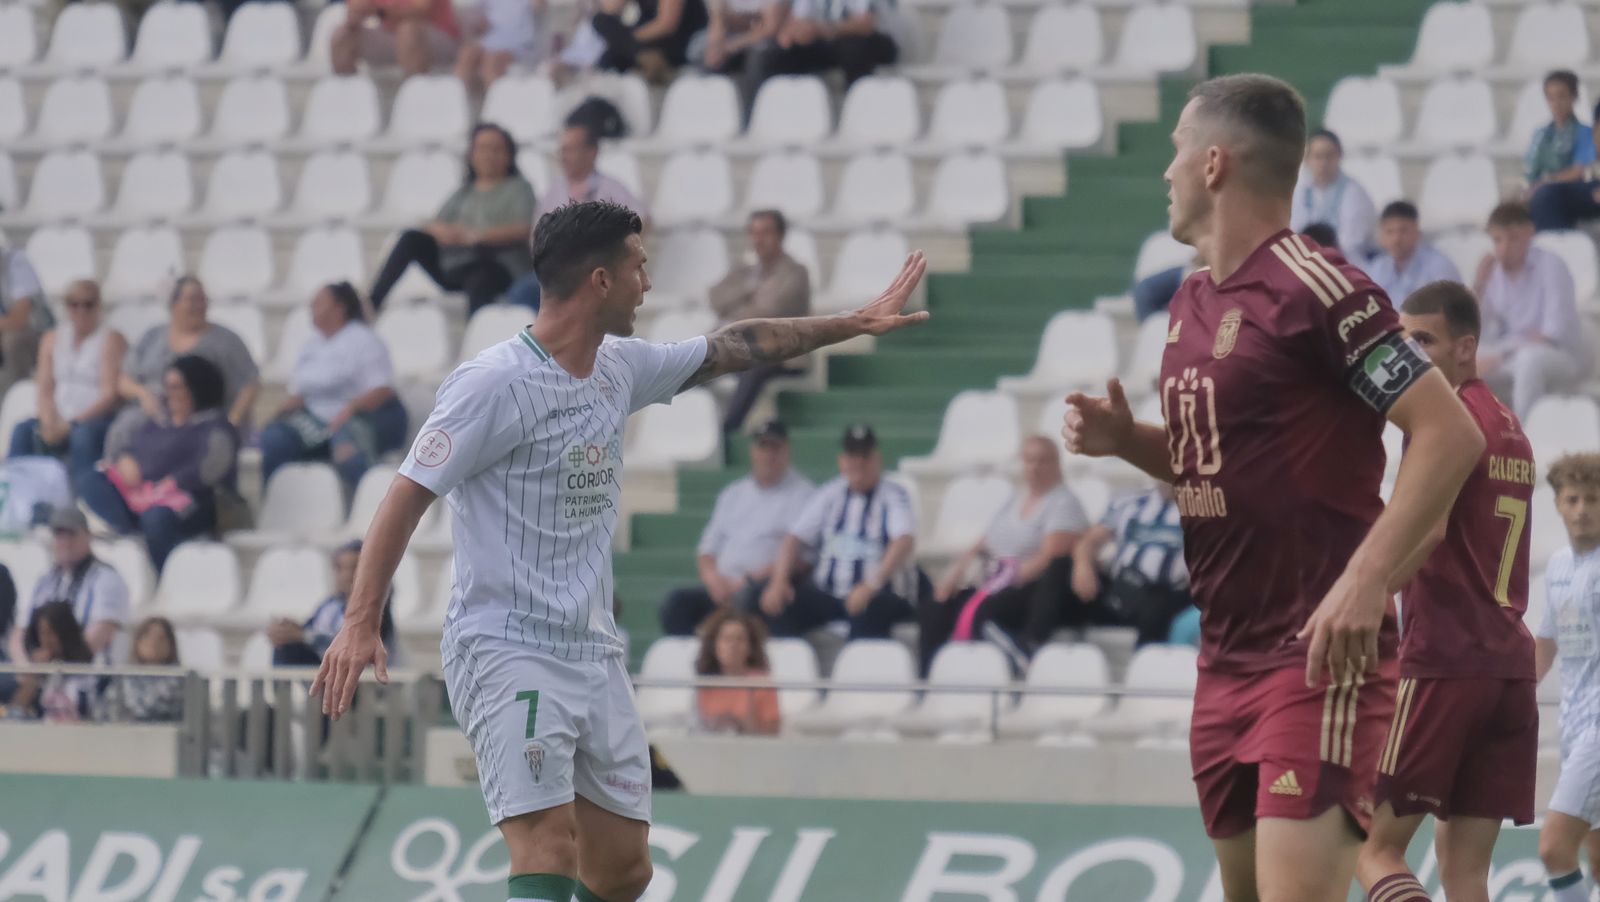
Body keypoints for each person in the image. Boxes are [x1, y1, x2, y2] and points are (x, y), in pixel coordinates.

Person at [309, 199, 927, 902]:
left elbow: (733, 344)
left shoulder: (620, 368)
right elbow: (404, 495)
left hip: (592, 651)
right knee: (547, 843)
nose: (648, 283)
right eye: (639, 267)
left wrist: (852, 322)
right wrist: (360, 620)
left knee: (623, 870)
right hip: (507, 645)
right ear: (600, 281)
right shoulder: (493, 384)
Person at [1062, 74, 1485, 901]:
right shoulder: (1189, 303)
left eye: (1178, 149)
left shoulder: (1322, 288)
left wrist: (1366, 582)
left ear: (1215, 163)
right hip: (1223, 660)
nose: (1168, 170)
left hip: (1318, 657)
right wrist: (1130, 444)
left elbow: (1449, 434)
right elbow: (1215, 465)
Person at [1355, 281, 1538, 901]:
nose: (1408, 353)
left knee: (1370, 845)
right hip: (1509, 673)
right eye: (1402, 339)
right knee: (1464, 873)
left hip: (1445, 664)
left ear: (1466, 348)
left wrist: (1364, 597)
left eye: (1423, 340)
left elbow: (1427, 529)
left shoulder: (1442, 421)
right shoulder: (1512, 427)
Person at [921, 436, 1089, 670]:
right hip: (993, 577)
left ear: (1056, 464)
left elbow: (1051, 555)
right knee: (937, 605)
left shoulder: (1064, 503)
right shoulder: (1014, 500)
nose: (1035, 467)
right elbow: (984, 542)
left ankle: (1019, 662)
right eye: (1030, 461)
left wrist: (1006, 581)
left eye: (1043, 461)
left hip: (1027, 585)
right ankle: (929, 676)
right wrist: (954, 576)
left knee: (986, 613)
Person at [753, 424, 920, 642]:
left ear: (876, 459)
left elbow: (903, 540)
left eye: (864, 456)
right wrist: (779, 581)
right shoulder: (830, 494)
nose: (858, 463)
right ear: (842, 460)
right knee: (779, 606)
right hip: (830, 594)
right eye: (852, 456)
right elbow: (794, 539)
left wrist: (871, 584)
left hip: (879, 592)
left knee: (869, 611)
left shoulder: (894, 495)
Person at [79, 356, 239, 572]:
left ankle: (167, 573)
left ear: (196, 388)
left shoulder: (214, 426)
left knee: (156, 518)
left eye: (176, 387)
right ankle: (134, 533)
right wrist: (126, 460)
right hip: (141, 494)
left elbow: (212, 467)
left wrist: (174, 481)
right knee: (91, 480)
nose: (169, 394)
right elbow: (131, 445)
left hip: (188, 499)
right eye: (167, 387)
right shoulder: (158, 420)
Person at [659, 419, 813, 636]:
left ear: (787, 450)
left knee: (752, 597)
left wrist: (748, 580)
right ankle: (698, 663)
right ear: (753, 451)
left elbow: (802, 559)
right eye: (763, 447)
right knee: (676, 604)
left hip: (762, 588)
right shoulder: (733, 493)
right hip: (722, 588)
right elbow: (707, 550)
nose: (769, 455)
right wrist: (713, 580)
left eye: (775, 447)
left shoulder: (804, 494)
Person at [370, 124, 536, 315]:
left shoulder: (520, 189)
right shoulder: (464, 191)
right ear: (471, 155)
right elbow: (434, 223)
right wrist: (447, 232)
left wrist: (475, 236)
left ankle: (477, 335)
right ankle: (371, 304)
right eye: (482, 149)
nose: (488, 155)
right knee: (411, 239)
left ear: (509, 155)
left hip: (499, 268)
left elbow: (523, 228)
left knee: (481, 276)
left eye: (496, 149)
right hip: (457, 265)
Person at [258, 283, 408, 490]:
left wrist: (348, 412)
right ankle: (279, 504)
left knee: (347, 442)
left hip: (366, 416)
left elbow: (382, 391)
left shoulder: (364, 340)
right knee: (275, 438)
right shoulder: (311, 345)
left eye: (318, 302)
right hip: (318, 422)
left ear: (340, 307)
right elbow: (300, 393)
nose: (311, 307)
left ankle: (375, 508)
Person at [1536, 453, 1600, 902]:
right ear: (1557, 503)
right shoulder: (1558, 565)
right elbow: (1546, 642)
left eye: (1594, 499)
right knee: (1597, 860)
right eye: (1573, 499)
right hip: (1574, 726)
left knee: (1554, 847)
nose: (1582, 509)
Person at [506, 123, 652, 310]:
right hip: (557, 272)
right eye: (562, 150)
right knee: (522, 293)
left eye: (570, 150)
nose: (563, 156)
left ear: (591, 152)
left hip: (597, 271)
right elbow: (536, 236)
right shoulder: (554, 191)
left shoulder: (611, 189)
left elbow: (641, 221)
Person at [110, 277, 258, 458]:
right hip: (152, 415)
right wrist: (143, 394)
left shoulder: (226, 341)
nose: (199, 305)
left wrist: (232, 422)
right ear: (174, 303)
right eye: (193, 299)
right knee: (126, 426)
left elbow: (250, 384)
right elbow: (125, 380)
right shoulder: (152, 337)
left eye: (202, 299)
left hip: (201, 420)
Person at [1474, 201, 1592, 418]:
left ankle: (1523, 440)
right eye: (1497, 240)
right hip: (1510, 351)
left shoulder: (1551, 265)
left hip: (1560, 354)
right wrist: (1479, 285)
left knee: (1530, 360)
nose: (1504, 247)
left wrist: (1501, 355)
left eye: (1513, 238)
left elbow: (1551, 334)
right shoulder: (1494, 272)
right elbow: (1475, 326)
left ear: (1530, 233)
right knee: (1461, 357)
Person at [7, 281, 125, 479]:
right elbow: (44, 386)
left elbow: (108, 395)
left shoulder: (109, 339)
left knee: (82, 437)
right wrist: (47, 419)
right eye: (74, 304)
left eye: (88, 304)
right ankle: (12, 490)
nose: (81, 311)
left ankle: (84, 494)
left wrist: (71, 424)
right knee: (23, 430)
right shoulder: (52, 339)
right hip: (58, 415)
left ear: (98, 306)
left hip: (93, 417)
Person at [709, 211, 811, 433]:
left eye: (766, 232)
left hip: (783, 356)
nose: (759, 239)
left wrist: (737, 307)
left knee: (755, 366)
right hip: (744, 349)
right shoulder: (746, 271)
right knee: (698, 358)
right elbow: (715, 298)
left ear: (781, 236)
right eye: (754, 233)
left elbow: (769, 312)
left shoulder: (795, 273)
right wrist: (749, 289)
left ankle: (729, 430)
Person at [1068, 481, 1190, 647]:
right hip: (1121, 587)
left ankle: (1143, 664)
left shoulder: (1202, 509)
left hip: (1167, 592)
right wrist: (1083, 566)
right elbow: (1088, 542)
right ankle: (1033, 648)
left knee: (1158, 603)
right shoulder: (1129, 502)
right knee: (1060, 568)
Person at [7, 507, 131, 668]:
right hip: (43, 674)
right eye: (59, 535)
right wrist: (28, 666)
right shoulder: (46, 580)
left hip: (90, 673)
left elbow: (101, 633)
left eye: (71, 534)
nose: (65, 542)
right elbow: (20, 632)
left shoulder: (106, 578)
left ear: (88, 535)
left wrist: (58, 663)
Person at [745, 0, 895, 114]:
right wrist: (794, 34)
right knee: (776, 53)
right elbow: (799, 20)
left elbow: (864, 24)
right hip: (828, 39)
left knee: (853, 47)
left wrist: (820, 28)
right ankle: (773, 115)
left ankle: (862, 111)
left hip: (875, 41)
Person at [270, 541, 396, 666]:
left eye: (355, 567)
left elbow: (353, 643)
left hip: (360, 675)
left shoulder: (377, 607)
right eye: (339, 568)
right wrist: (289, 629)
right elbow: (307, 630)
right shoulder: (330, 604)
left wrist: (304, 636)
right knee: (284, 642)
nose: (346, 575)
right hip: (324, 667)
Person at [1289, 128, 1378, 262]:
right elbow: (1294, 230)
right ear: (1307, 159)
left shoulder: (1354, 193)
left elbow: (1352, 242)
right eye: (1318, 156)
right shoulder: (1299, 191)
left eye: (1329, 156)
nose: (1323, 163)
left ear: (1340, 157)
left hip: (1346, 263)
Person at [1525, 71, 1599, 231]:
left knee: (1546, 197)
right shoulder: (1541, 134)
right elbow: (1530, 170)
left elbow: (1580, 171)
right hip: (1540, 189)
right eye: (1551, 97)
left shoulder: (1585, 132)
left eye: (1562, 96)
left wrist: (1545, 182)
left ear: (1574, 97)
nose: (1556, 103)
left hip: (1570, 191)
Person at [693, 608, 780, 735]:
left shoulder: (762, 684)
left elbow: (772, 734)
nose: (733, 645)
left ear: (750, 647)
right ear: (714, 645)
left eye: (740, 639)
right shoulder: (704, 684)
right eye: (727, 639)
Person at [8, 601, 95, 721]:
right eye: (43, 633)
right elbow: (14, 711)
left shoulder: (90, 670)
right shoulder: (42, 672)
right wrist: (35, 674)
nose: (47, 640)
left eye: (52, 632)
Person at [331, 0, 461, 77]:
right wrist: (356, 14)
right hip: (393, 36)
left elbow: (419, 12)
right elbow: (354, 7)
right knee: (343, 34)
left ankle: (418, 98)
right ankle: (347, 102)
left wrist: (378, 12)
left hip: (438, 36)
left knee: (408, 30)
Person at [1365, 201, 1460, 302]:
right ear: (1381, 236)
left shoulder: (1439, 265)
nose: (1396, 239)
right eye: (1390, 232)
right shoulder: (1378, 267)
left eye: (1403, 231)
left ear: (1417, 232)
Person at [591, 0, 708, 79]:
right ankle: (640, 56)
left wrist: (632, 38)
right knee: (600, 21)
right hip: (643, 44)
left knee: (613, 54)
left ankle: (640, 56)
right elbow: (609, 9)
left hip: (677, 40)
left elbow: (666, 25)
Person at [100, 616, 184, 723]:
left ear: (171, 645)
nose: (153, 643)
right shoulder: (121, 679)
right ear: (137, 642)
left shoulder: (183, 682)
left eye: (161, 638)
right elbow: (107, 715)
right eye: (148, 636)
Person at [455, 0, 546, 94]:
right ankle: (457, 102)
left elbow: (540, 5)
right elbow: (477, 15)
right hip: (488, 40)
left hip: (516, 45)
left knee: (490, 62)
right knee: (466, 54)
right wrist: (478, 24)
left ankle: (497, 105)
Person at [0, 240, 50, 406]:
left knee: (14, 341)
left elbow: (19, 319)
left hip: (39, 335)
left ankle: (11, 402)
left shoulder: (16, 262)